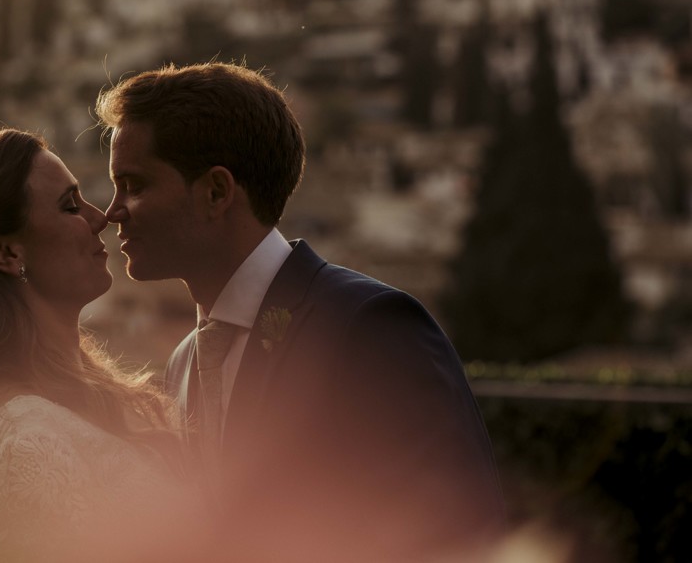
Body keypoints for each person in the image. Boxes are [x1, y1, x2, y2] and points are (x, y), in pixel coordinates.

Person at [96, 62, 506, 561]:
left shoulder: (368, 327)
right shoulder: (183, 363)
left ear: (216, 192)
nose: (111, 210)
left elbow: (458, 533)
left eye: (134, 185)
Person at [0, 129, 198, 563]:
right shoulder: (22, 444)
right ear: (5, 252)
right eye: (70, 206)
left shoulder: (70, 396)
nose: (101, 218)